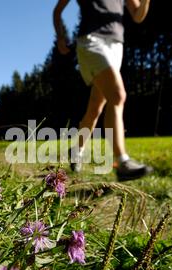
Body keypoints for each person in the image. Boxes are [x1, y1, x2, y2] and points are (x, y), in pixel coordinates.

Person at [53, 0, 153, 181]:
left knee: (95, 108)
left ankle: (77, 150)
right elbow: (58, 11)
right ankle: (123, 162)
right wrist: (61, 37)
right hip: (91, 41)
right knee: (117, 95)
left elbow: (137, 16)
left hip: (116, 46)